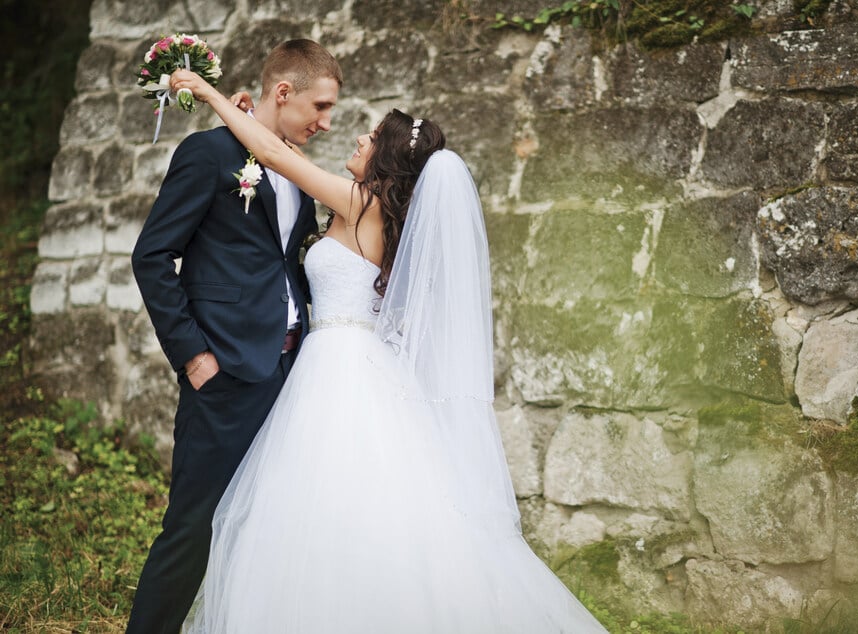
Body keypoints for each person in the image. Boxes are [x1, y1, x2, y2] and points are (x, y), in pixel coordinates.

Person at [170, 67, 609, 633]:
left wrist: (209, 97)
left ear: (387, 159)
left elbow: (274, 156)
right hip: (344, 365)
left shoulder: (361, 203)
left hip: (337, 374)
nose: (357, 137)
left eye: (372, 138)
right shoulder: (383, 215)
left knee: (321, 508)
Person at [128, 40, 342, 633]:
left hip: (291, 376)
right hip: (223, 375)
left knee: (271, 526)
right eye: (319, 108)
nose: (325, 123)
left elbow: (287, 261)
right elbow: (152, 257)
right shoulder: (209, 154)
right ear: (282, 94)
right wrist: (194, 356)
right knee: (194, 528)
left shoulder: (295, 168)